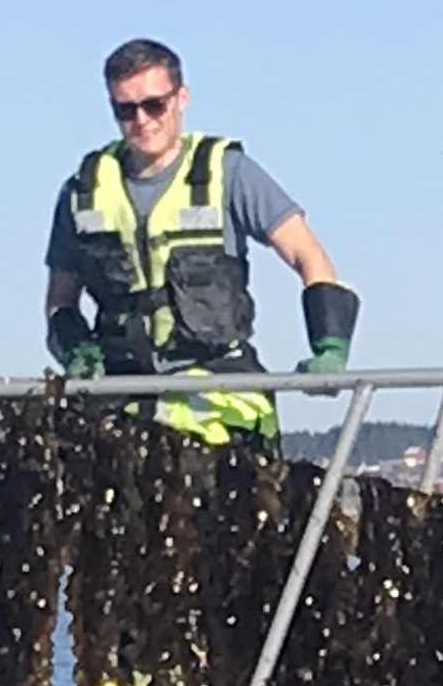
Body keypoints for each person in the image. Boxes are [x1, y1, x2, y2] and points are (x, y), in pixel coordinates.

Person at [41, 37, 358, 448]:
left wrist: (329, 347)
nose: (142, 120)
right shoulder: (83, 190)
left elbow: (307, 253)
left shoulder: (228, 172)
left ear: (181, 98)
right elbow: (60, 301)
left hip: (222, 399)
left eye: (154, 105)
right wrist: (76, 352)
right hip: (122, 405)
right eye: (126, 109)